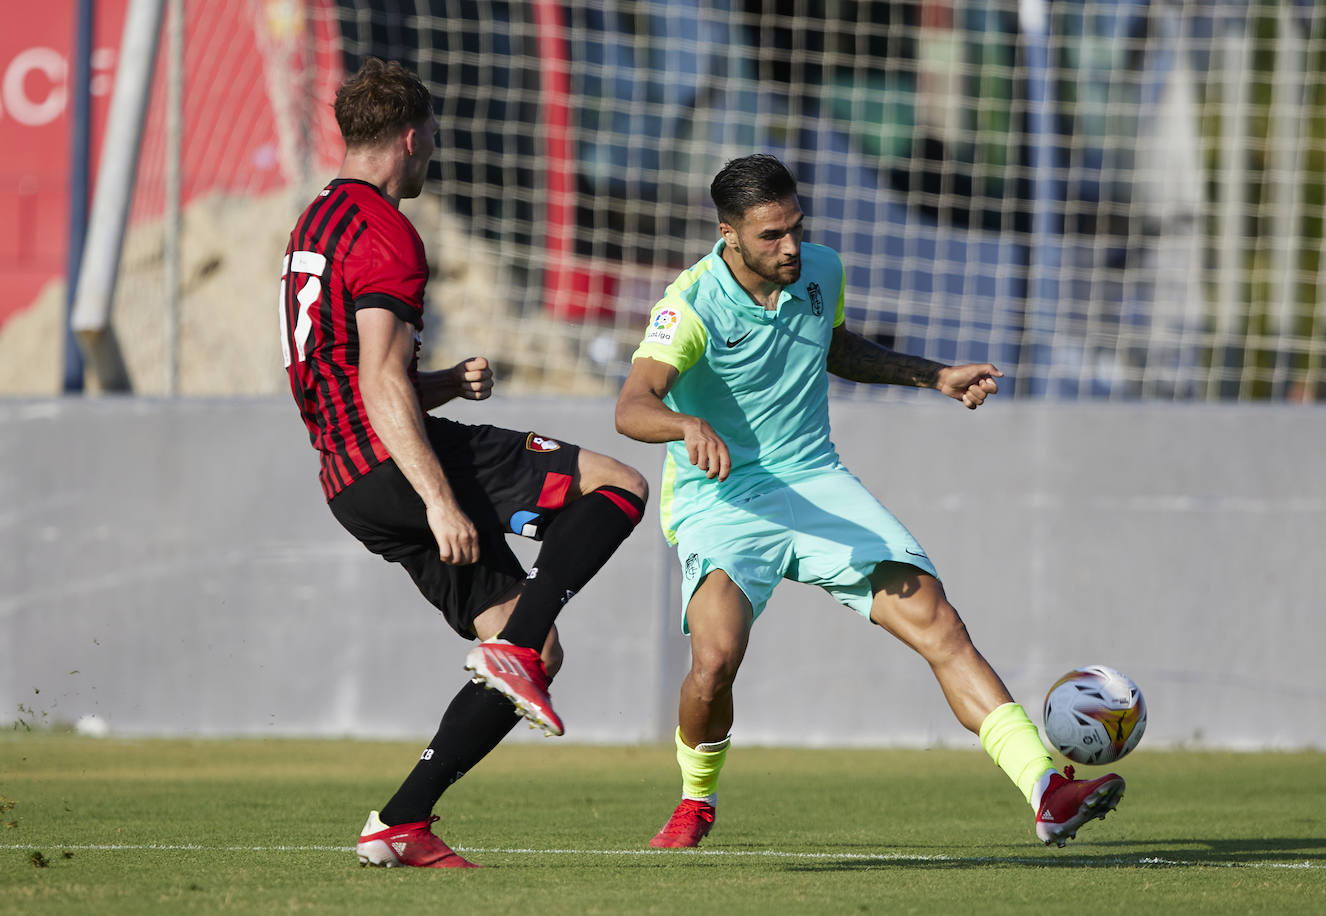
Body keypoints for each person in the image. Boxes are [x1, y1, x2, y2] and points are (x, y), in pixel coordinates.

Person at [614, 154, 1124, 849]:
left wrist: (933, 375)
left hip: (815, 480)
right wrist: (686, 425)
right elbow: (632, 406)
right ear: (728, 234)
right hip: (723, 499)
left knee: (939, 623)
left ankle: (1047, 789)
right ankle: (695, 799)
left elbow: (837, 349)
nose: (791, 246)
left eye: (796, 226)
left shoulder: (821, 270)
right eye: (771, 235)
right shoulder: (689, 305)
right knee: (714, 665)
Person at [280, 58, 648, 868]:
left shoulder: (316, 223)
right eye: (435, 136)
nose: (435, 151)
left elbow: (347, 374)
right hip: (397, 465)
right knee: (619, 485)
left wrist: (444, 384)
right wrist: (439, 499)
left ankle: (401, 822)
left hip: (348, 481)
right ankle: (512, 650)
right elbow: (379, 381)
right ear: (412, 138)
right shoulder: (384, 229)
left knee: (536, 647)